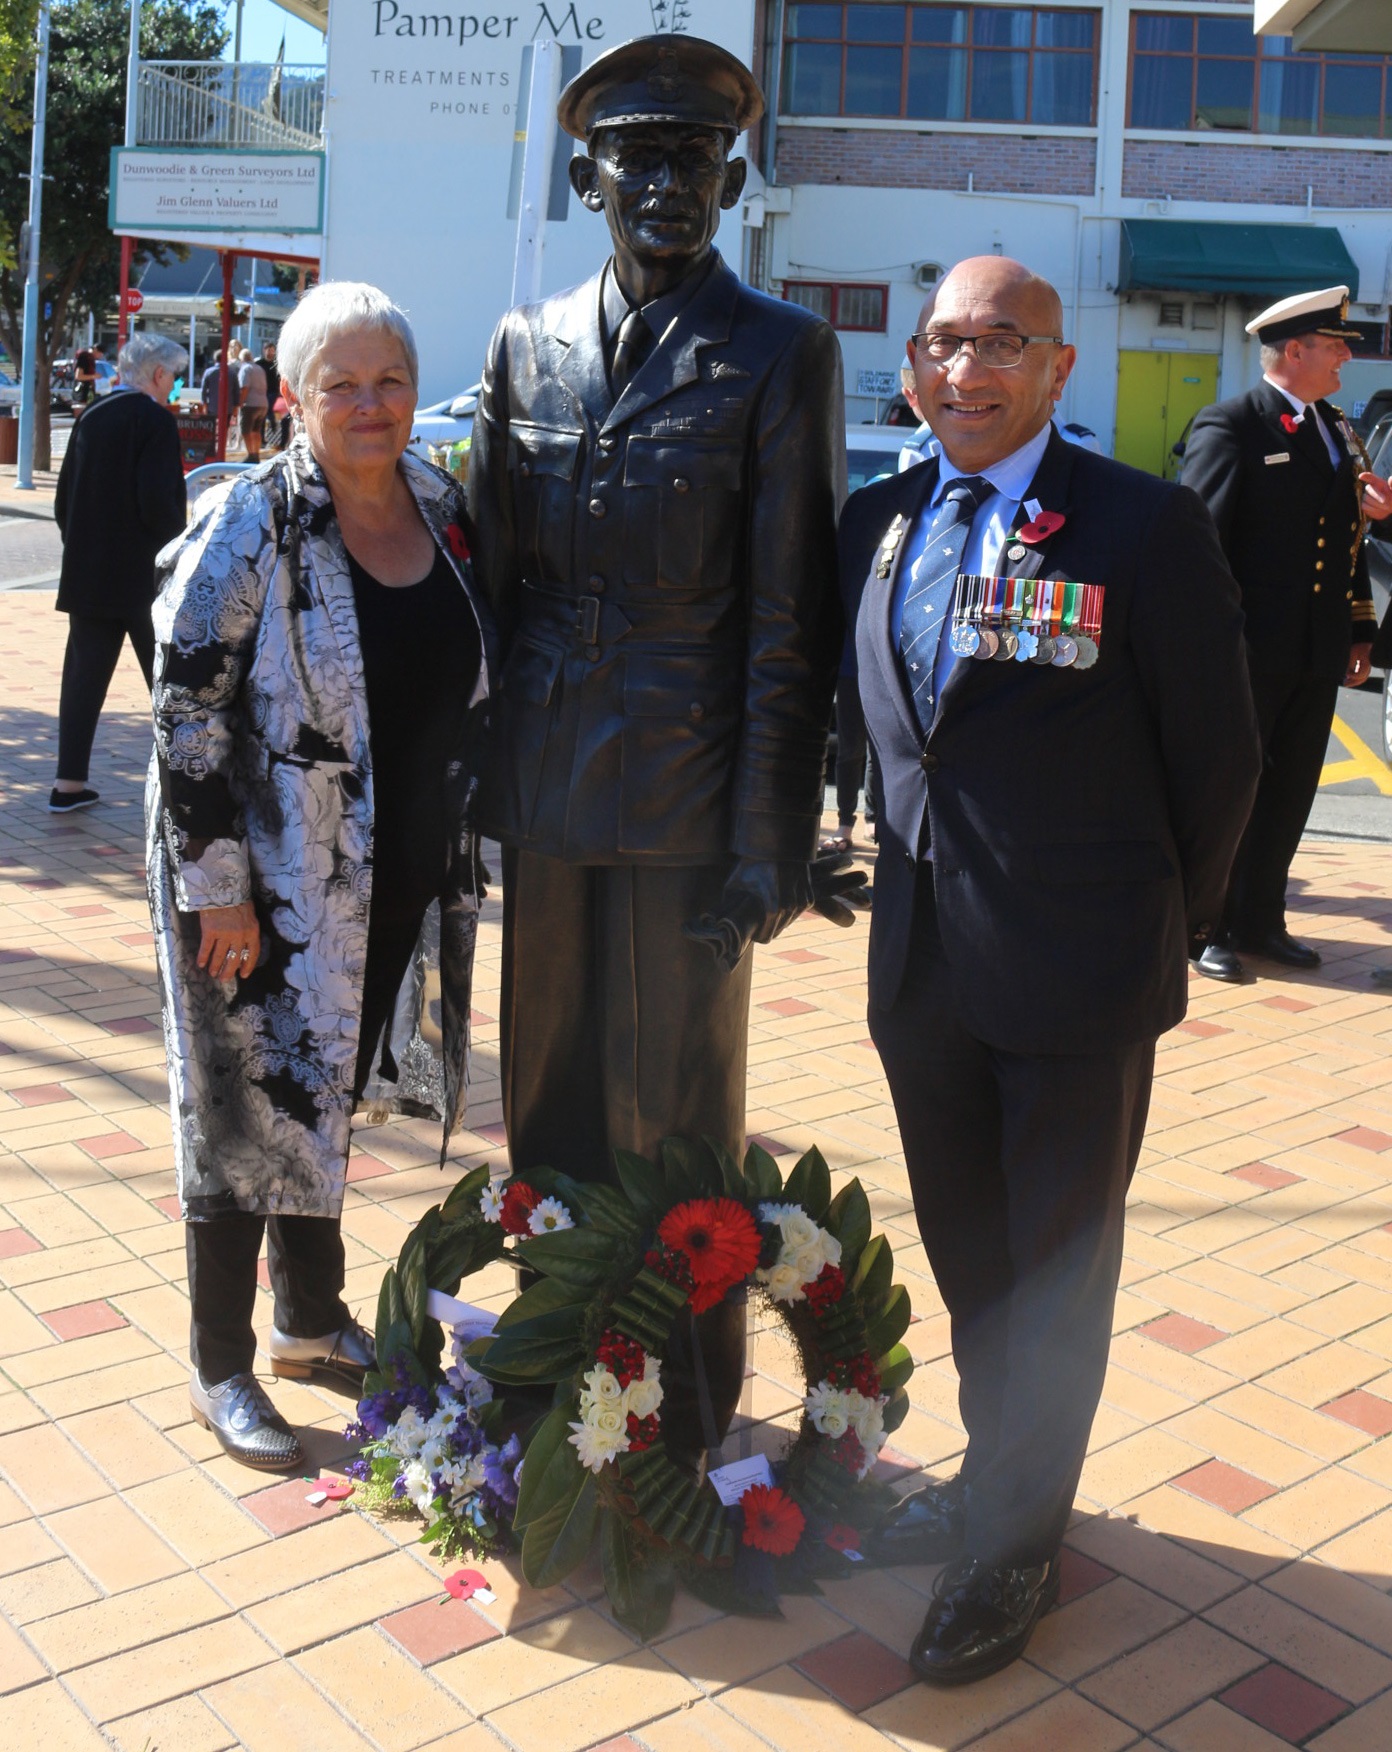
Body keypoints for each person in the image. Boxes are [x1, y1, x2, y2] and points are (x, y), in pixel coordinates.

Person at [844, 256, 1259, 1684]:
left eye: (1000, 343)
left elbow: (1221, 762)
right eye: (944, 343)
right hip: (925, 968)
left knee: (1057, 1268)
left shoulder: (1142, 527)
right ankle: (992, 1478)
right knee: (972, 1248)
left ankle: (1018, 1542)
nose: (966, 370)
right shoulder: (883, 521)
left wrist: (1158, 922)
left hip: (1079, 974)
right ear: (914, 364)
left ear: (1059, 370)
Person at [468, 34, 844, 1464]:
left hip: (693, 806)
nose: (667, 186)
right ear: (586, 178)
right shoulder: (522, 349)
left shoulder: (782, 354)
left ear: (734, 176)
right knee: (552, 1095)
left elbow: (785, 625)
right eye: (639, 161)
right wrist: (471, 792)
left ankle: (684, 1401)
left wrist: (768, 842)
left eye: (694, 161)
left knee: (680, 1117)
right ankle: (556, 1364)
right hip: (554, 797)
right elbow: (497, 597)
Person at [148, 281, 495, 1470]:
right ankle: (220, 1360)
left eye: (389, 379)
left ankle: (306, 1319)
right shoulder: (253, 520)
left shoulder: (443, 506)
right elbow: (183, 710)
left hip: (389, 870)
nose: (369, 403)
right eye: (339, 383)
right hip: (261, 882)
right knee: (243, 1110)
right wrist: (217, 888)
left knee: (324, 1088)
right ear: (293, 397)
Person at [1182, 287, 1388, 983]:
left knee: (1291, 790)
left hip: (1315, 650)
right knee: (1231, 792)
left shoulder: (1336, 428)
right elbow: (1200, 549)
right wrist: (1212, 646)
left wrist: (1358, 629)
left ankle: (1261, 919)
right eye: (1335, 346)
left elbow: (1347, 539)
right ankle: (1206, 924)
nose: (1345, 358)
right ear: (1294, 351)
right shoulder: (1232, 424)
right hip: (1249, 651)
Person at [49, 333, 187, 814]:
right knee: (171, 680)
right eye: (174, 375)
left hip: (88, 574)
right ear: (157, 374)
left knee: (83, 680)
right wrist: (182, 546)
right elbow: (156, 502)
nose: (175, 385)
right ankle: (184, 785)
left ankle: (68, 784)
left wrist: (83, 547)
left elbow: (63, 501)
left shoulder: (92, 417)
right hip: (144, 579)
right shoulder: (154, 421)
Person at [236, 345, 269, 463]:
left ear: (242, 359)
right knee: (256, 430)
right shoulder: (259, 368)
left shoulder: (245, 369)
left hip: (250, 404)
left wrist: (239, 403)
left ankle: (250, 454)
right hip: (263, 403)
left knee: (246, 430)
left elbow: (244, 388)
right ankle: (256, 454)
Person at [72, 344, 97, 408]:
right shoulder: (85, 357)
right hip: (82, 392)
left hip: (86, 392)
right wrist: (94, 376)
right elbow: (78, 376)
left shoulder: (90, 359)